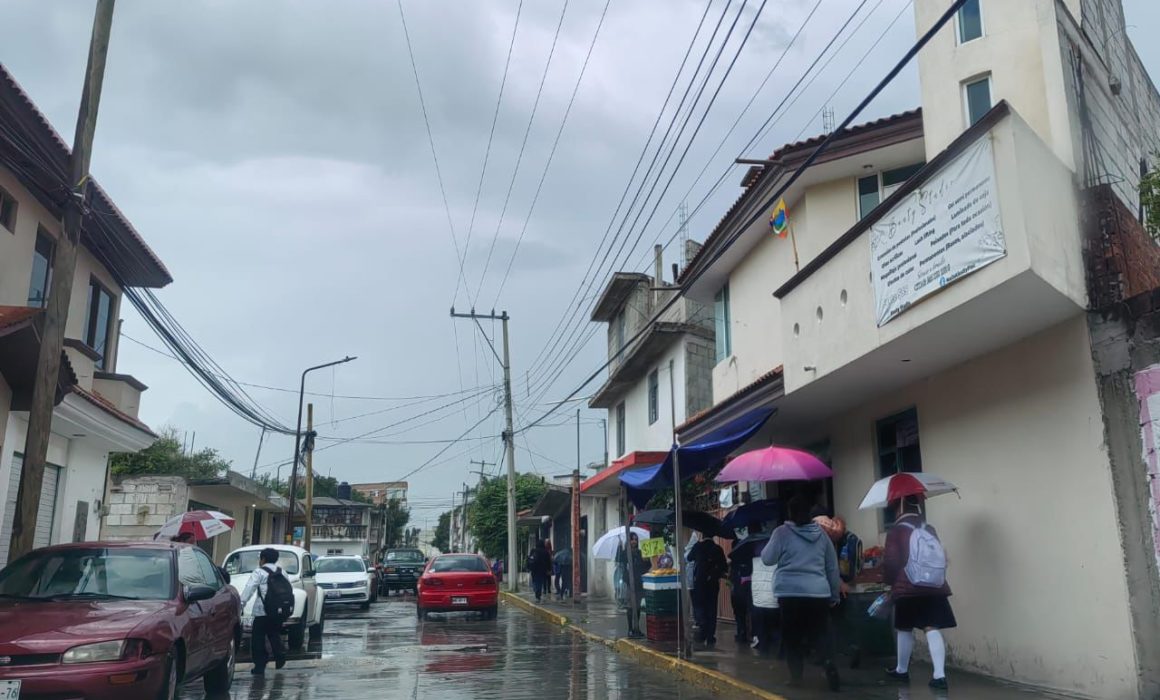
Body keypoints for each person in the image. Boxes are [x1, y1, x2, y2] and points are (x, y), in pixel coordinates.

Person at [762, 495, 841, 692]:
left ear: (790, 513)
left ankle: (796, 678)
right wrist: (834, 595)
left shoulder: (781, 533)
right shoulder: (822, 536)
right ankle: (829, 663)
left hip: (789, 594)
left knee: (792, 637)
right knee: (820, 634)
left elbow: (767, 559)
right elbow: (832, 567)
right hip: (818, 593)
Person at [884, 495, 956, 691]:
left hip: (908, 586)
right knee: (931, 627)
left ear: (899, 507)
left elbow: (891, 562)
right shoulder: (928, 528)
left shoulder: (897, 531)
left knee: (904, 627)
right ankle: (939, 675)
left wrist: (891, 582)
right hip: (933, 586)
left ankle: (901, 670)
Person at [239, 547, 287, 676]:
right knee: (274, 634)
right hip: (278, 610)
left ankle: (260, 665)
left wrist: (241, 604)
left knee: (258, 638)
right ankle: (280, 654)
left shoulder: (259, 572)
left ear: (263, 559)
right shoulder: (282, 572)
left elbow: (250, 588)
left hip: (262, 610)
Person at [687, 531, 727, 647]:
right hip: (713, 584)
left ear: (702, 536)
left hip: (699, 583)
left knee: (700, 606)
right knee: (712, 608)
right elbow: (723, 567)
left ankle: (702, 628)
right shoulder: (717, 548)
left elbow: (689, 558)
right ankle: (710, 636)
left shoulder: (698, 546)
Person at [617, 533, 650, 635]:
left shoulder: (640, 552)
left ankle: (637, 628)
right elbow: (619, 559)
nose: (634, 541)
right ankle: (630, 629)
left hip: (638, 582)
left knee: (638, 607)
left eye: (635, 539)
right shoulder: (625, 553)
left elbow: (646, 566)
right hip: (629, 582)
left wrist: (646, 560)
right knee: (630, 606)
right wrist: (620, 546)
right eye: (632, 539)